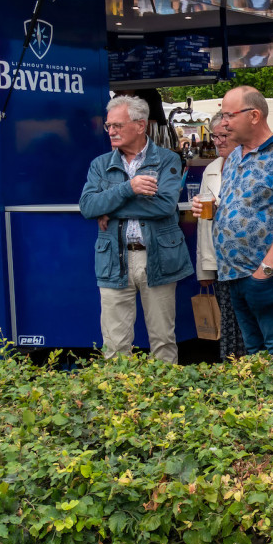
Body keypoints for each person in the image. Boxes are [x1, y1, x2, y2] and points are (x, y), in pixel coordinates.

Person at [192, 85, 273, 360]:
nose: (224, 122)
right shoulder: (234, 156)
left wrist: (264, 271)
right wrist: (215, 208)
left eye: (229, 115)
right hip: (233, 275)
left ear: (254, 116)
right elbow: (245, 206)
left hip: (267, 276)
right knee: (253, 355)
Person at [79, 95, 193, 362]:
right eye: (108, 126)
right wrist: (128, 188)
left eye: (117, 125)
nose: (111, 131)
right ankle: (119, 390)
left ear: (141, 125)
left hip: (159, 257)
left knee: (163, 341)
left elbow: (164, 206)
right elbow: (88, 206)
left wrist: (110, 208)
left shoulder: (167, 159)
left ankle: (164, 389)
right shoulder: (100, 164)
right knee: (114, 345)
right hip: (113, 259)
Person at [195, 113, 245, 360]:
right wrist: (204, 269)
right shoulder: (212, 169)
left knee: (249, 322)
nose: (218, 141)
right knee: (227, 321)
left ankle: (256, 373)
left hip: (247, 260)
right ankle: (232, 369)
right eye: (215, 136)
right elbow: (203, 225)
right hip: (220, 261)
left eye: (224, 135)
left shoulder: (250, 165)